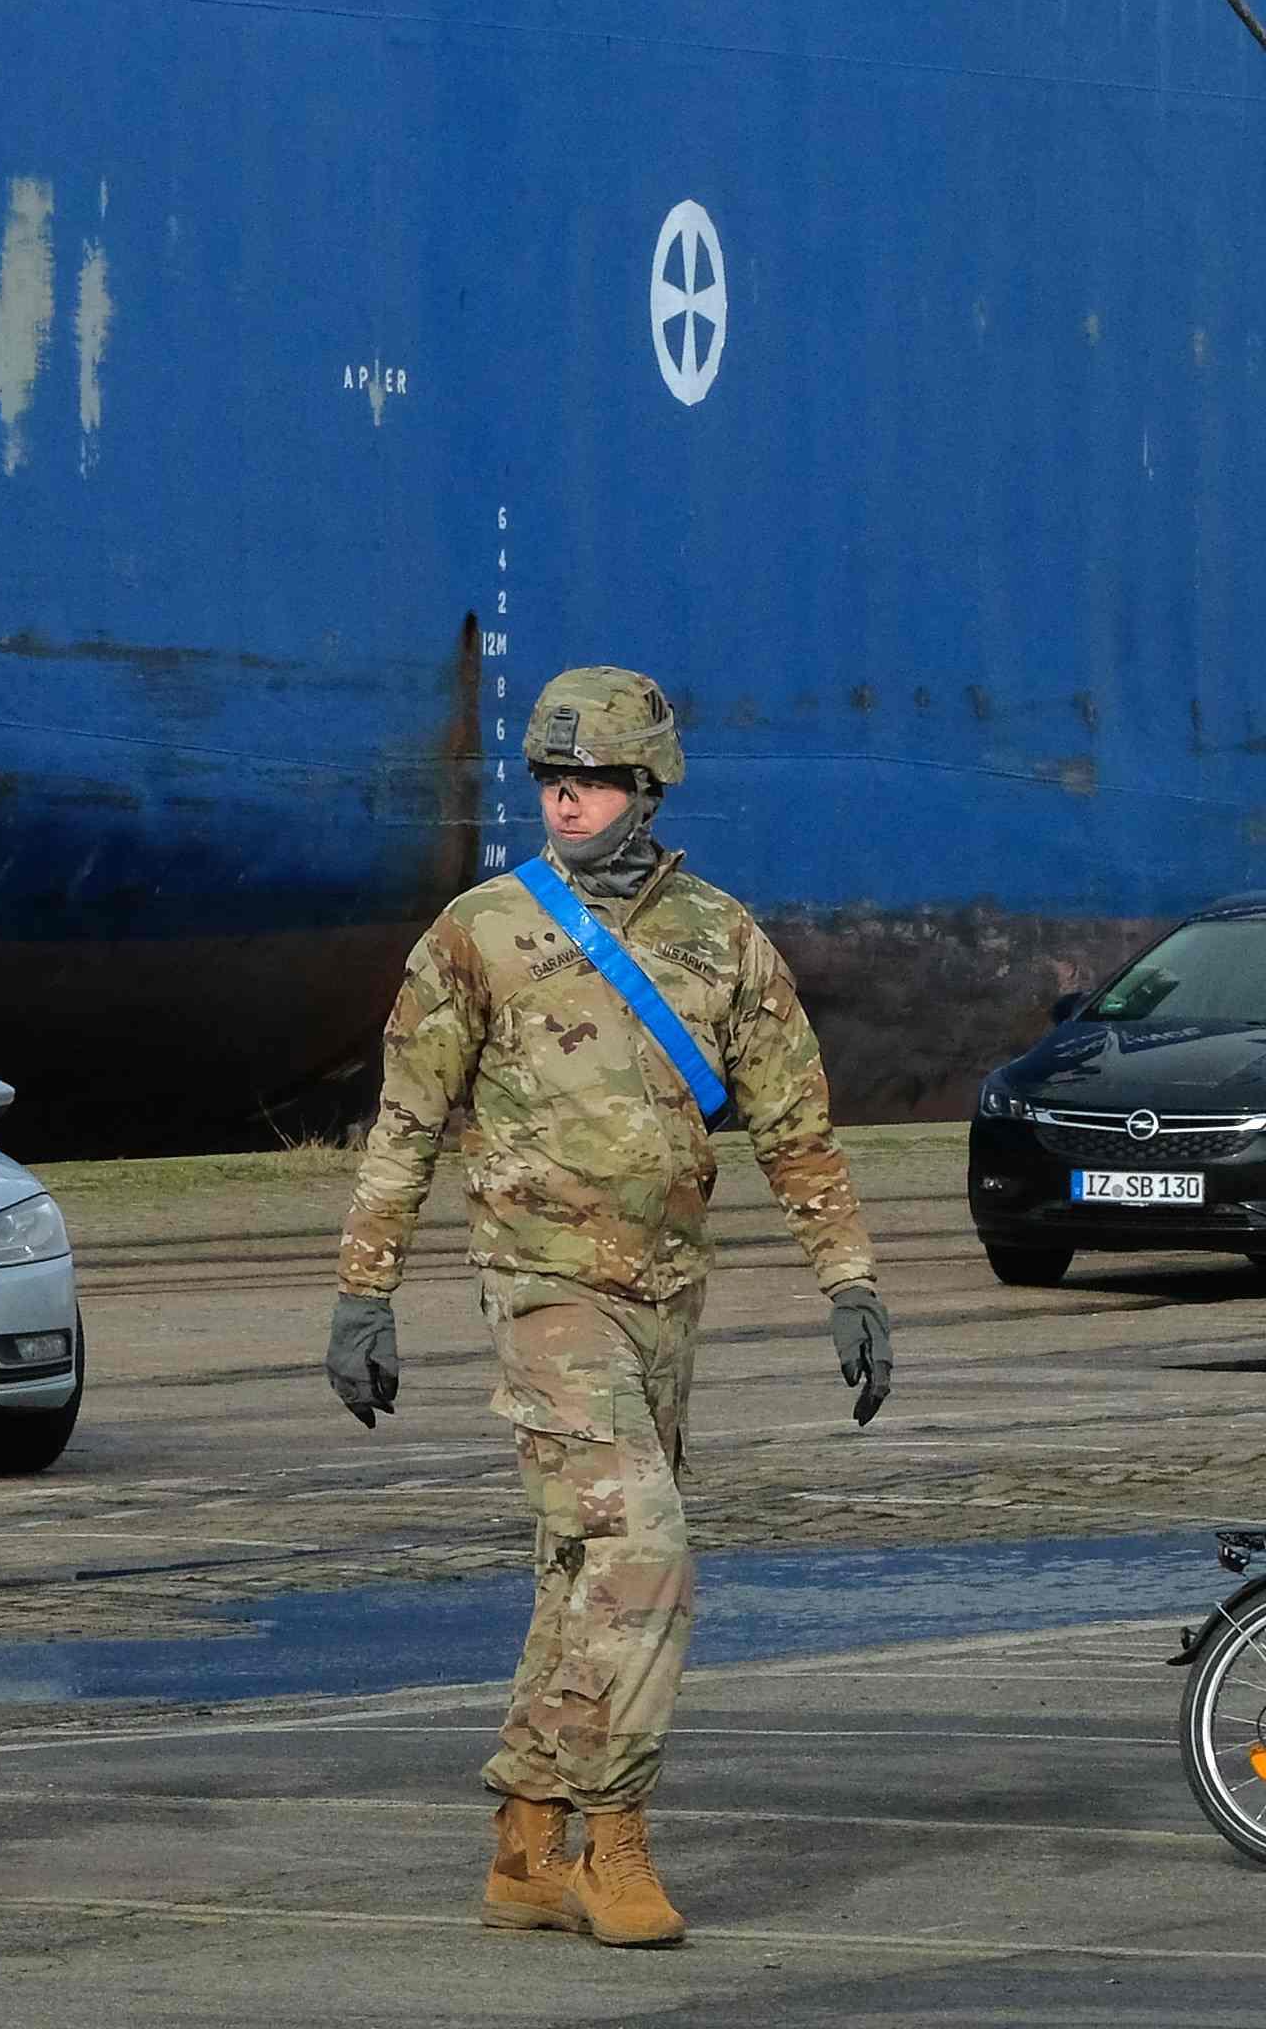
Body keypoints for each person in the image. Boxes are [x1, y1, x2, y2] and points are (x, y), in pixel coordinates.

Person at [328, 665, 883, 1951]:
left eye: (590, 779)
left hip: (667, 1299)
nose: (564, 799)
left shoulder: (723, 937)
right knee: (646, 1549)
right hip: (542, 1292)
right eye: (549, 778)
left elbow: (796, 1127)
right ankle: (612, 1840)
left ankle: (525, 1842)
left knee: (584, 1568)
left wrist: (849, 1280)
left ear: (648, 786)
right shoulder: (478, 932)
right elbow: (404, 1125)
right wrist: (364, 1293)